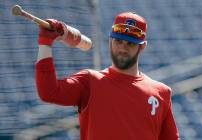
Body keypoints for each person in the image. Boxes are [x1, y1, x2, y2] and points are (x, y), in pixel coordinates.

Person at [35, 12, 180, 140]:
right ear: (110, 41)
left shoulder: (162, 92)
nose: (123, 47)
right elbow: (48, 92)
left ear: (142, 46)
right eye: (118, 41)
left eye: (130, 43)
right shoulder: (90, 81)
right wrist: (45, 43)